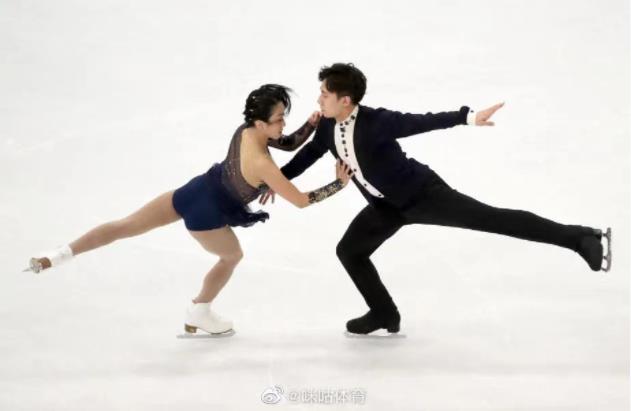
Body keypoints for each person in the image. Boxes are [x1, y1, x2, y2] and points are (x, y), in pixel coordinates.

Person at [262, 63, 612, 335]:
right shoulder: (326, 126)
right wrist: (276, 181)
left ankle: (581, 238)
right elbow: (307, 156)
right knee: (350, 251)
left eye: (324, 94)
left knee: (491, 218)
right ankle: (384, 313)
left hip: (422, 195)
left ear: (345, 100)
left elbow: (422, 122)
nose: (318, 100)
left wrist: (468, 117)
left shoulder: (377, 122)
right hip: (385, 207)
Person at [24, 84, 354, 335]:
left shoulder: (247, 131)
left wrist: (310, 125)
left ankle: (58, 255)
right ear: (261, 122)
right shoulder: (263, 165)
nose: (283, 123)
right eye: (280, 118)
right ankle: (199, 310)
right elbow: (300, 200)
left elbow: (287, 142)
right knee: (232, 256)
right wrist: (338, 184)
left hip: (194, 191)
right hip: (208, 217)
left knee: (125, 225)